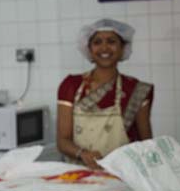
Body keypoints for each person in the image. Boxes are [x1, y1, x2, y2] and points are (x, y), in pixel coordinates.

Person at [56, 18, 153, 170]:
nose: (104, 48)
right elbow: (63, 141)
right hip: (78, 177)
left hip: (122, 176)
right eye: (97, 42)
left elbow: (146, 145)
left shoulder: (137, 90)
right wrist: (83, 154)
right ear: (89, 49)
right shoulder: (71, 85)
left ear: (123, 48)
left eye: (111, 41)